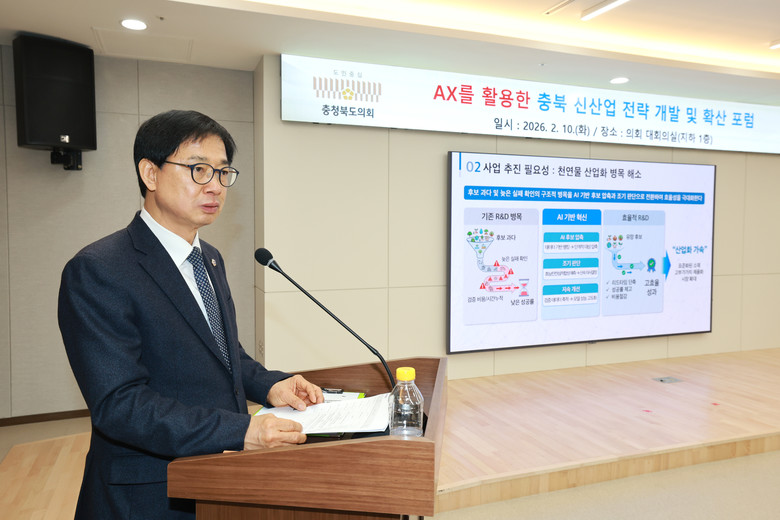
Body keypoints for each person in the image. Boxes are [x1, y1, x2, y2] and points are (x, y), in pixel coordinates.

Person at [57, 109, 324, 519]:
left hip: (218, 478)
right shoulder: (99, 269)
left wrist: (272, 385)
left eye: (223, 172)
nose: (215, 185)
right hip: (150, 492)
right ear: (150, 173)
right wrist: (242, 430)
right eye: (199, 170)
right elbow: (120, 404)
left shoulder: (209, 258)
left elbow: (224, 355)